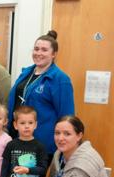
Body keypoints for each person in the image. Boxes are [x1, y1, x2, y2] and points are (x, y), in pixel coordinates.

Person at [7, 30, 74, 163]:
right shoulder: (26, 73)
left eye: (44, 50)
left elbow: (67, 117)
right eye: (36, 49)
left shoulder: (60, 79)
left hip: (41, 145)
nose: (38, 53)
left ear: (53, 54)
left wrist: (63, 147)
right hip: (17, 139)